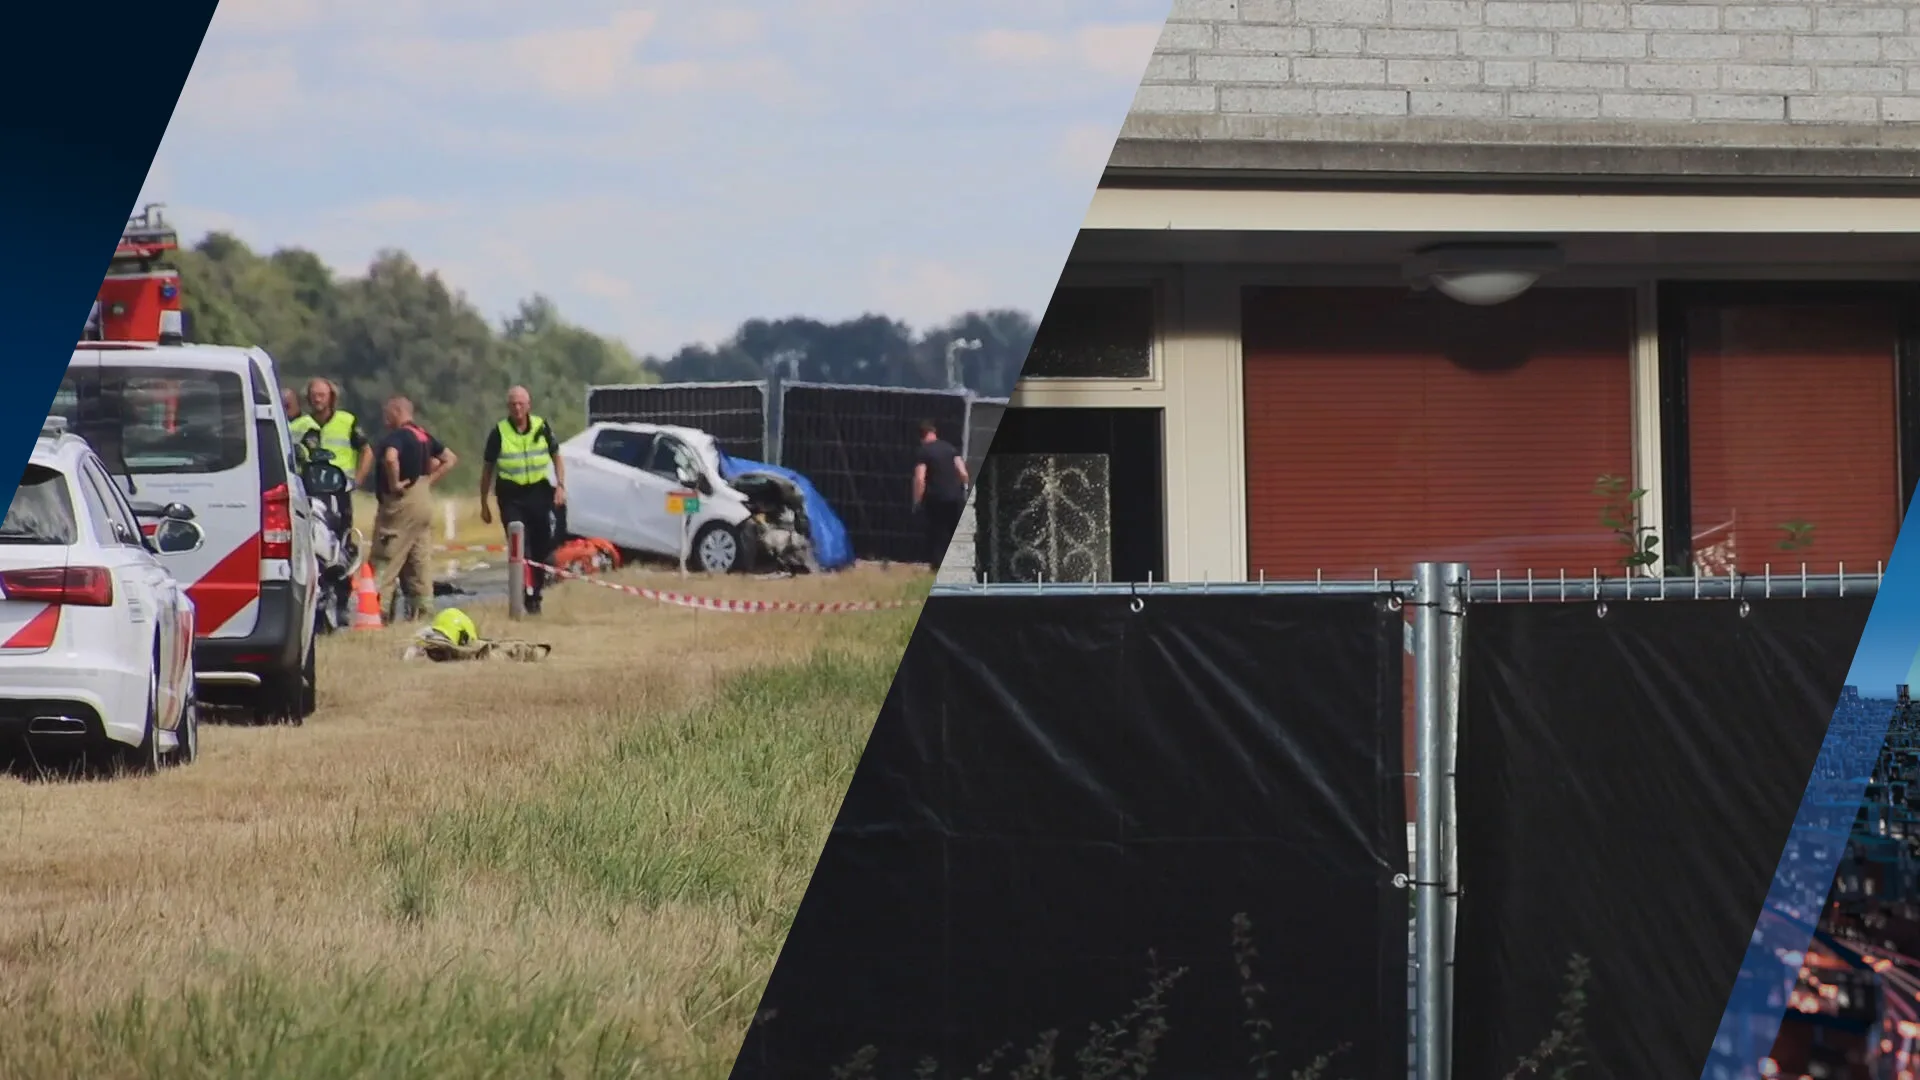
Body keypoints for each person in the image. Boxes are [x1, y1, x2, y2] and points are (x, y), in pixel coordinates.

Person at [479, 385, 566, 615]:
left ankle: (536, 593)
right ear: (508, 407)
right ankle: (523, 595)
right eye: (513, 404)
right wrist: (483, 502)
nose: (517, 408)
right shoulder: (499, 432)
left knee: (542, 544)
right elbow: (488, 468)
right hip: (511, 496)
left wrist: (560, 486)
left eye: (521, 404)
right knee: (520, 545)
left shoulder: (541, 426)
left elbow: (557, 456)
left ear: (529, 405)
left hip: (538, 492)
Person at [371, 396, 456, 622]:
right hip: (423, 501)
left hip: (400, 504)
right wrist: (428, 480)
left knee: (385, 560)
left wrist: (394, 482)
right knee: (418, 562)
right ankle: (423, 614)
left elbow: (390, 459)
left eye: (387, 413)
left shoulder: (398, 436)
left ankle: (376, 615)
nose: (384, 419)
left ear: (397, 411)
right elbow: (449, 459)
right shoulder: (423, 435)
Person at [911, 419, 969, 566]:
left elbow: (920, 479)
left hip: (935, 499)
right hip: (955, 497)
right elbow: (963, 473)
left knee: (937, 534)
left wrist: (917, 500)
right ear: (934, 433)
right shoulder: (950, 449)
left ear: (921, 437)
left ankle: (937, 566)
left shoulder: (923, 452)